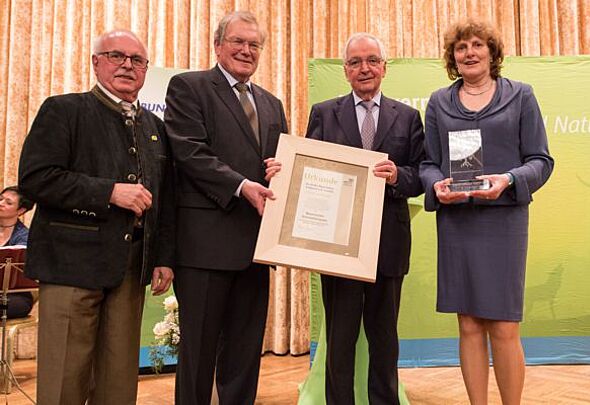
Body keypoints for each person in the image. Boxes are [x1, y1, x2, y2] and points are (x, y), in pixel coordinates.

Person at [18, 29, 175, 405]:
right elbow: (37, 179)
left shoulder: (155, 128)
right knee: (64, 382)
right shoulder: (63, 110)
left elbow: (166, 199)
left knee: (118, 385)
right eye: (116, 55)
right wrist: (109, 192)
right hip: (71, 266)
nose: (127, 65)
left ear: (146, 70)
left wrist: (164, 258)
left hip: (130, 268)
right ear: (95, 62)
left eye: (137, 60)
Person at [419, 19, 554, 405]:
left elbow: (541, 160)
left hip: (504, 222)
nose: (470, 52)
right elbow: (429, 163)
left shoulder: (521, 96)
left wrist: (509, 179)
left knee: (505, 325)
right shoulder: (438, 103)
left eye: (478, 45)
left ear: (493, 53)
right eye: (461, 47)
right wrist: (435, 185)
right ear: (453, 57)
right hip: (458, 221)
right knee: (469, 325)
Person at [163, 11, 288, 405]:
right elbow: (188, 152)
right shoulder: (189, 87)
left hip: (255, 247)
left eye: (254, 45)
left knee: (244, 353)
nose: (246, 51)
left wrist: (279, 171)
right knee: (198, 354)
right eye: (238, 42)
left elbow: (275, 162)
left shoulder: (272, 103)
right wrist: (241, 185)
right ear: (218, 45)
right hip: (204, 248)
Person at [305, 33, 425, 404]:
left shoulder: (407, 117)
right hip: (336, 246)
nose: (365, 68)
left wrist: (396, 177)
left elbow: (421, 175)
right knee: (340, 340)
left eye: (372, 60)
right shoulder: (324, 113)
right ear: (345, 71)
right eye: (355, 62)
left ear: (385, 67)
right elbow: (309, 170)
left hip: (388, 244)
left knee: (384, 339)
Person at [0, 186, 35, 318]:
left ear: (21, 210)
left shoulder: (25, 238)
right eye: (0, 199)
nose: (1, 204)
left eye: (8, 203)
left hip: (14, 297)